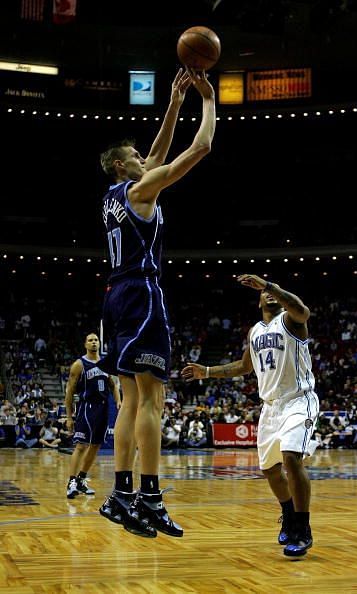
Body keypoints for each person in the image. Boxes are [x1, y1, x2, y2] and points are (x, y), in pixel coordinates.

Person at [97, 67, 216, 539]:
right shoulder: (141, 189)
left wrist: (172, 102)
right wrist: (207, 102)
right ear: (125, 167)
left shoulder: (114, 196)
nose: (145, 157)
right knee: (152, 400)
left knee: (129, 400)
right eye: (136, 156)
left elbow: (159, 153)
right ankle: (149, 495)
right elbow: (198, 149)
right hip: (143, 294)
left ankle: (121, 494)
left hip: (114, 296)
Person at [182, 274, 319, 557]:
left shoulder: (293, 319)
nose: (269, 296)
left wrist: (270, 286)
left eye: (273, 292)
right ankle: (289, 514)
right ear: (258, 302)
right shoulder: (255, 331)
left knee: (291, 458)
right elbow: (245, 366)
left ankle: (303, 529)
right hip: (270, 406)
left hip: (298, 400)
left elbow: (301, 309)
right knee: (269, 469)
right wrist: (206, 372)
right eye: (264, 294)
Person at [65, 333, 121, 499]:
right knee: (81, 445)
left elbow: (113, 385)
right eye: (90, 340)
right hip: (86, 407)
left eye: (96, 340)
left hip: (103, 408)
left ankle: (82, 479)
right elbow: (69, 392)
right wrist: (69, 417)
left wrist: (118, 401)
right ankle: (72, 481)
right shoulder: (79, 365)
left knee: (95, 446)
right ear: (85, 344)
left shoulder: (106, 363)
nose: (94, 342)